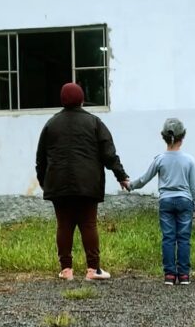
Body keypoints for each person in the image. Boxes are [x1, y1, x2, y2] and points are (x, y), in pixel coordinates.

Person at [35, 83, 130, 281]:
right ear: (82, 99)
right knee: (88, 224)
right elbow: (109, 153)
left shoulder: (51, 124)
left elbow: (41, 158)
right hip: (88, 184)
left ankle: (66, 270)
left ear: (62, 100)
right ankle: (93, 270)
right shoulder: (94, 123)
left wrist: (45, 182)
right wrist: (121, 176)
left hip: (58, 184)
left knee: (64, 225)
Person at [127, 118, 195, 286]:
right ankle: (183, 276)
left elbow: (144, 179)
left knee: (168, 237)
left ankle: (169, 275)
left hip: (166, 201)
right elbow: (194, 187)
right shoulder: (189, 160)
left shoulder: (159, 159)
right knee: (183, 238)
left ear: (163, 137)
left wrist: (130, 185)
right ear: (183, 137)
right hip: (185, 201)